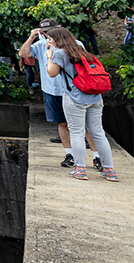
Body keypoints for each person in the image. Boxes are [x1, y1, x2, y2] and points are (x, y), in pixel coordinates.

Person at [19, 19, 99, 169]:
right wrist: (31, 37)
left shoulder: (75, 44)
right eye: (44, 32)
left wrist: (51, 55)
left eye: (49, 32)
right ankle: (70, 154)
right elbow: (23, 53)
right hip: (51, 91)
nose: (47, 35)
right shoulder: (40, 45)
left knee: (84, 125)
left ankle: (97, 156)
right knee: (62, 123)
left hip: (73, 90)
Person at [44, 26, 118, 182]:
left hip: (75, 97)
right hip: (95, 97)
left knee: (76, 132)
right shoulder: (81, 50)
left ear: (57, 39)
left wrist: (49, 56)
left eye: (49, 39)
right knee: (98, 133)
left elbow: (52, 73)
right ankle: (109, 170)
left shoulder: (60, 53)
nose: (48, 42)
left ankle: (79, 169)